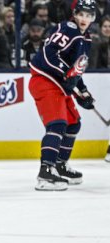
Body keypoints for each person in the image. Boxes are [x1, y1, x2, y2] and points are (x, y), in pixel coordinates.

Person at [28, 0, 97, 191]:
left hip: (58, 84)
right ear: (74, 13)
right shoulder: (68, 28)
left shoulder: (86, 39)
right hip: (44, 81)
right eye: (81, 14)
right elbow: (49, 54)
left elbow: (75, 69)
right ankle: (46, 171)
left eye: (89, 15)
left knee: (74, 123)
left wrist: (82, 91)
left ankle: (59, 164)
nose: (84, 19)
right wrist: (67, 76)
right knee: (57, 124)